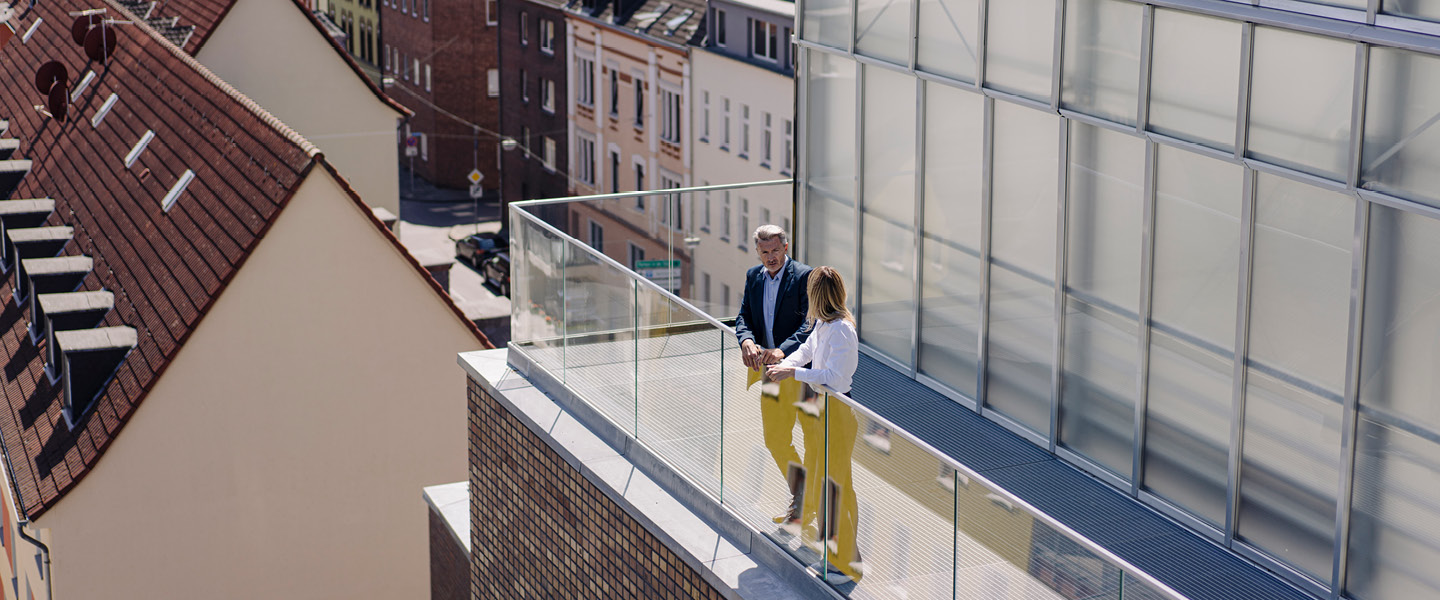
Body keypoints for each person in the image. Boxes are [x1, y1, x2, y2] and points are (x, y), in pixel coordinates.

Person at [766, 266, 863, 585]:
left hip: (836, 410)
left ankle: (845, 564)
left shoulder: (842, 330)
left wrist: (793, 374)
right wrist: (787, 364)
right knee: (833, 485)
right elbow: (807, 350)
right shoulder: (824, 323)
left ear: (820, 297)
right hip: (822, 410)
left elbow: (835, 379)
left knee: (833, 488)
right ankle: (842, 556)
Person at [734, 225, 814, 529]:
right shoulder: (754, 277)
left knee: (812, 441)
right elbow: (744, 317)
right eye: (764, 252)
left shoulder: (805, 276)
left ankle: (807, 505)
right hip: (770, 375)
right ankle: (803, 498)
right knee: (775, 439)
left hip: (801, 372)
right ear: (758, 251)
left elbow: (810, 323)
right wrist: (746, 341)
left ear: (786, 247)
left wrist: (781, 350)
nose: (770, 257)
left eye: (775, 251)